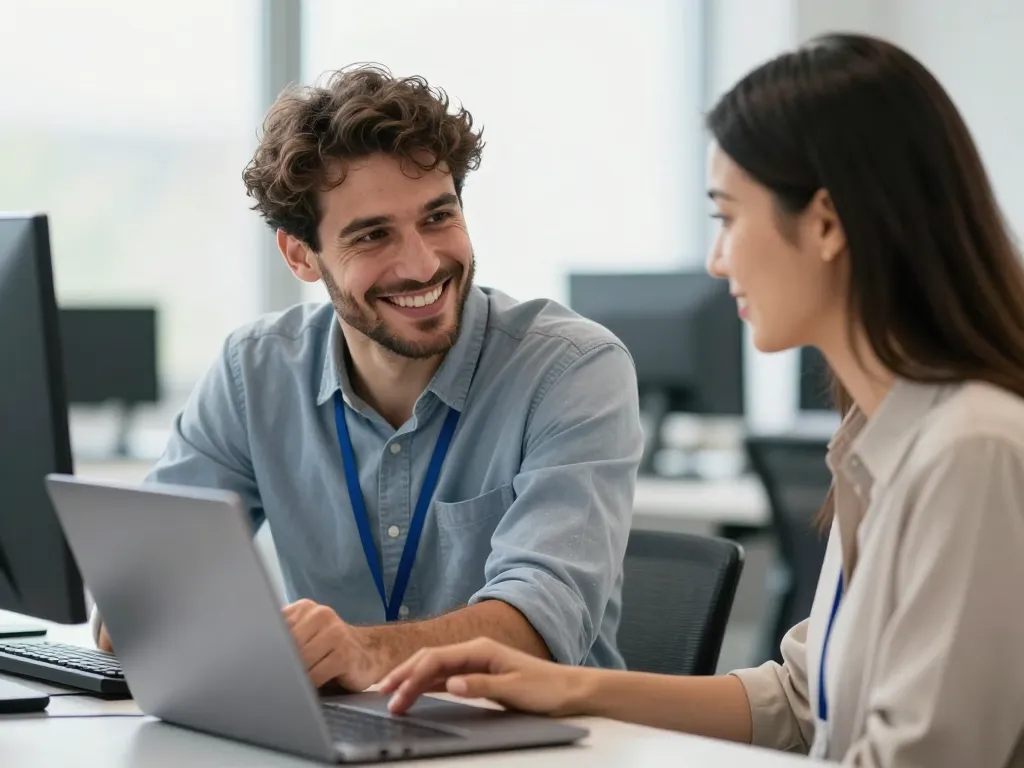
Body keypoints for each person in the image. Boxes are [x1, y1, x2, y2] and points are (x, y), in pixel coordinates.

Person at [379, 33, 1024, 767]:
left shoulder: (972, 451)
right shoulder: (878, 441)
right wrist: (568, 688)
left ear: (825, 222)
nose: (717, 261)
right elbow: (801, 700)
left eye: (726, 217)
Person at [91, 65, 644, 690]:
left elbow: (538, 625)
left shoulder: (570, 370)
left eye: (438, 217)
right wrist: (142, 604)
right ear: (301, 255)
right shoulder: (255, 374)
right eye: (373, 235)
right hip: (336, 736)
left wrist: (365, 652)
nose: (423, 262)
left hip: (538, 743)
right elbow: (134, 604)